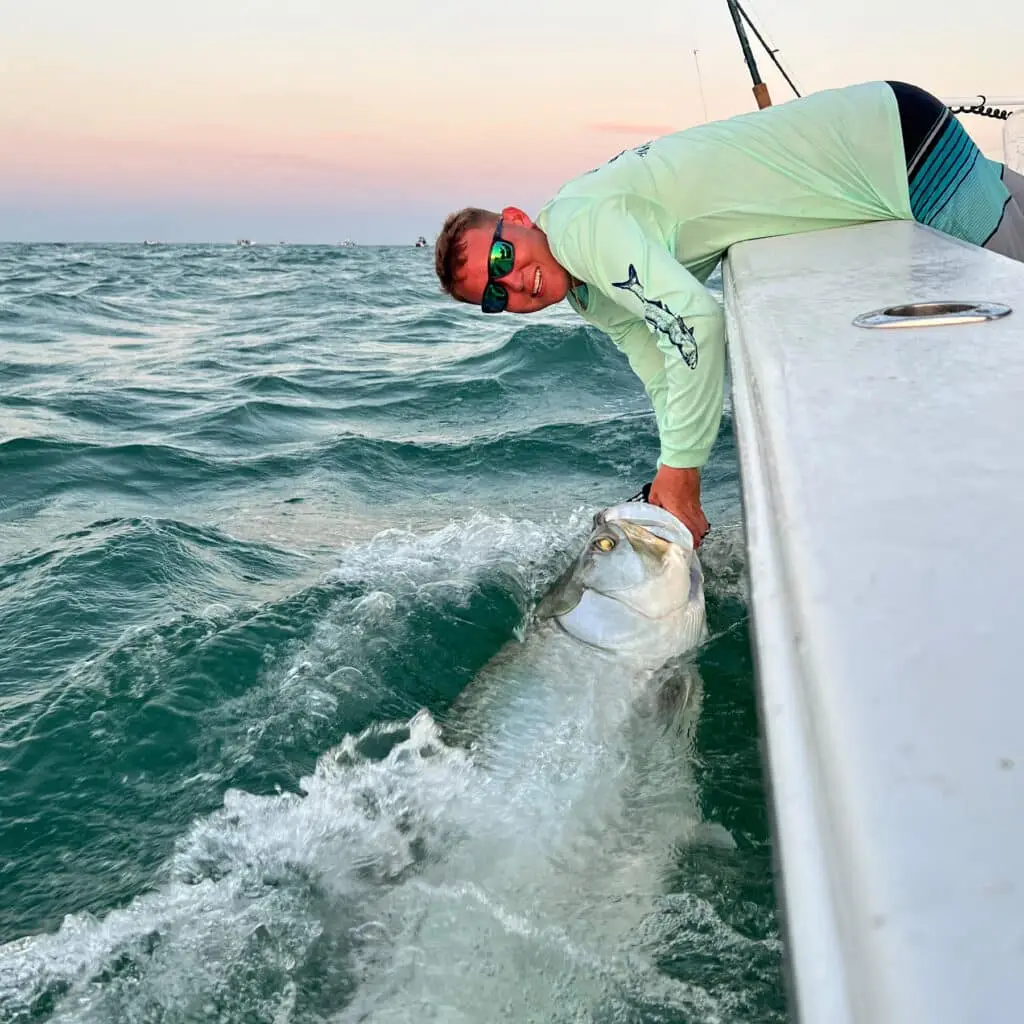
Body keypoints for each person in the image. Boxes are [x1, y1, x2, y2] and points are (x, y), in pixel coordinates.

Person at [433, 81, 1024, 546]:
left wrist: (683, 476)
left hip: (893, 152)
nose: (513, 283)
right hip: (888, 125)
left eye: (502, 256)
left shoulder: (577, 227)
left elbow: (694, 322)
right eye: (494, 294)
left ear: (515, 216)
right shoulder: (589, 290)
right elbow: (662, 369)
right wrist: (668, 484)